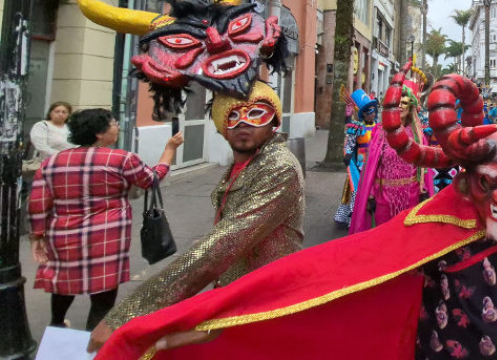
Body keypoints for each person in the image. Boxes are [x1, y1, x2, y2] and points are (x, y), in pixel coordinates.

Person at [93, 70, 497, 360]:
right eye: (488, 184)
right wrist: (169, 320)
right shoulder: (436, 227)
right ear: (466, 183)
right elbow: (332, 277)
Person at [88, 81, 304, 350]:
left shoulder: (278, 166)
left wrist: (131, 312)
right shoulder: (245, 163)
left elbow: (226, 242)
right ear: (221, 125)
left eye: (257, 113)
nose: (244, 124)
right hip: (235, 292)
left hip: (264, 298)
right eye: (233, 116)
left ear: (274, 121)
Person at [29, 108, 183, 330]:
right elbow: (152, 179)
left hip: (63, 234)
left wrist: (37, 235)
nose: (118, 126)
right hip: (106, 237)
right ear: (99, 133)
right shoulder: (121, 159)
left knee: (64, 284)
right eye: (113, 123)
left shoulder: (53, 162)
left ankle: (57, 327)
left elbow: (38, 202)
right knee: (102, 295)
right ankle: (93, 342)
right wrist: (170, 149)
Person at [348, 77, 433, 234]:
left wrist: (424, 191)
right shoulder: (379, 132)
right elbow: (372, 166)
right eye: (397, 102)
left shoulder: (418, 135)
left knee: (408, 238)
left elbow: (424, 167)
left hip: (411, 197)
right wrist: (371, 194)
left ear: (411, 108)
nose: (400, 107)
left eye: (405, 103)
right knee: (384, 237)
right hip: (384, 199)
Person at [334, 89, 378, 227]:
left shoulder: (379, 127)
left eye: (374, 110)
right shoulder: (358, 127)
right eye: (370, 111)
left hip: (375, 164)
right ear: (364, 114)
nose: (373, 113)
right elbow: (350, 143)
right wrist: (347, 154)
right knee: (356, 190)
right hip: (360, 165)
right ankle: (354, 216)